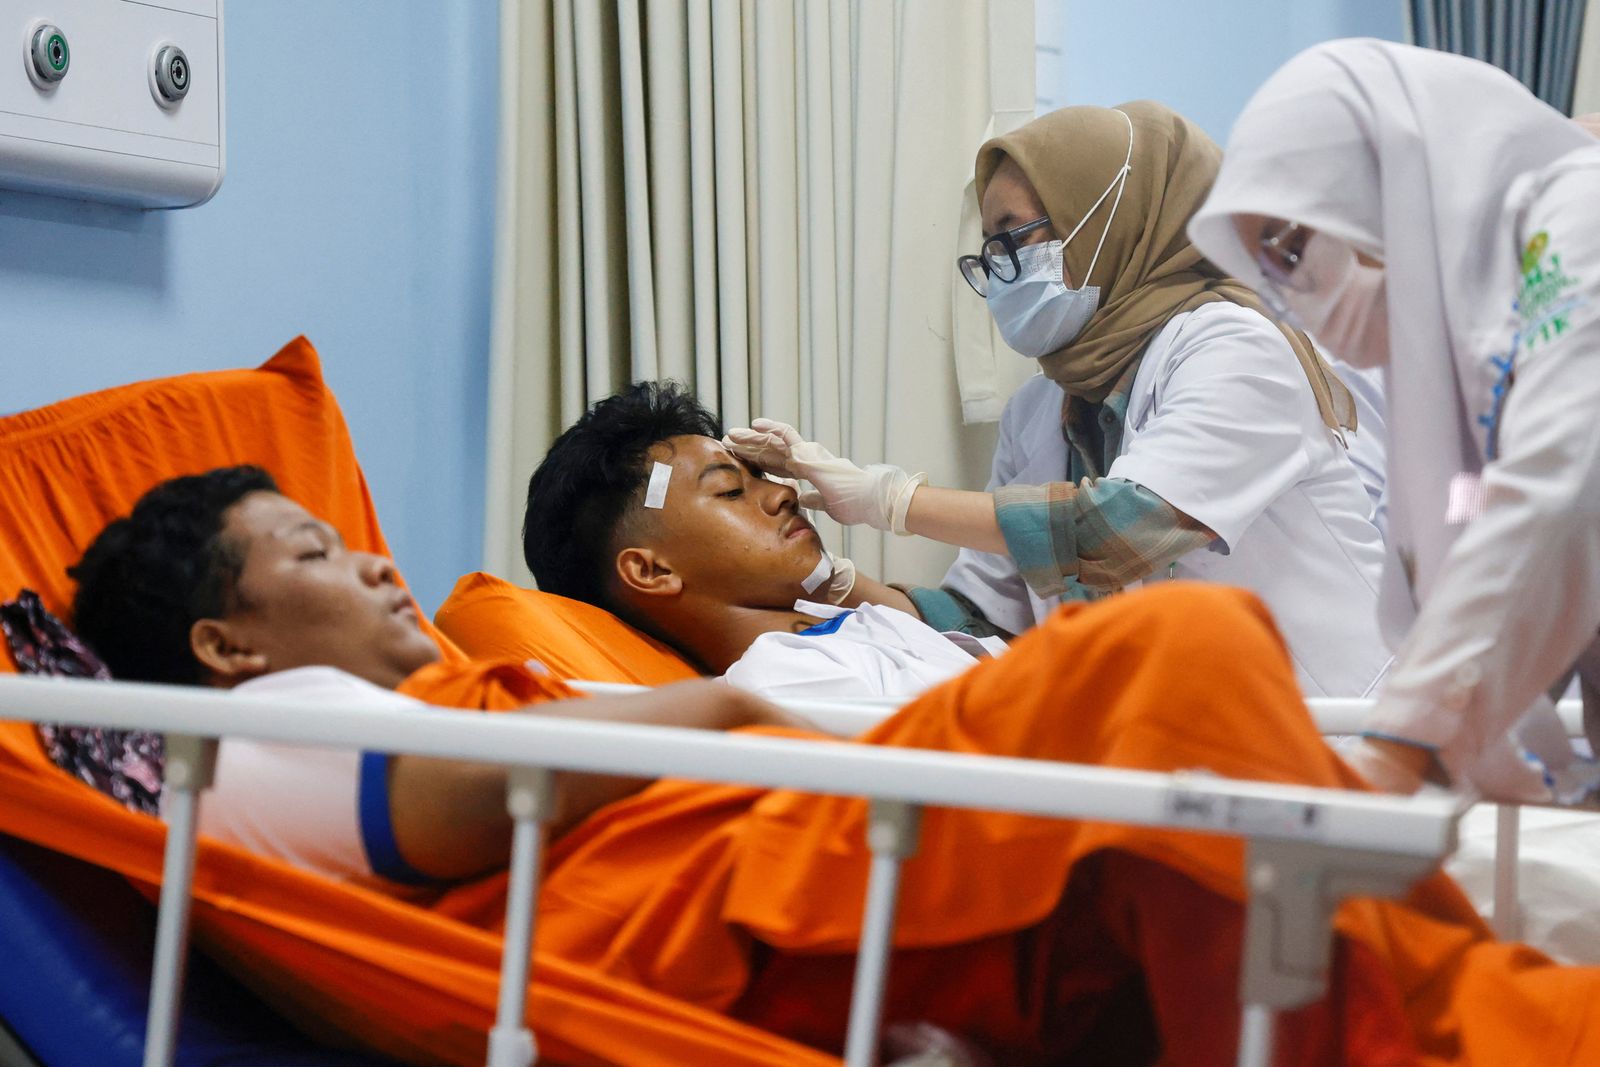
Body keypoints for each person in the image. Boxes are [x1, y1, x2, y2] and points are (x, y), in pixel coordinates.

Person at [68, 465, 1600, 1064]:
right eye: (319, 550)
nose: (380, 562)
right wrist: (774, 730)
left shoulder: (469, 680)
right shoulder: (251, 753)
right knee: (1173, 653)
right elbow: (573, 769)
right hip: (757, 898)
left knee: (1188, 726)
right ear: (221, 644)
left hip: (825, 837)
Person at [727, 101, 1393, 698]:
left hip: (1339, 725)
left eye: (1015, 238)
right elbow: (984, 618)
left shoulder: (1236, 347)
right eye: (989, 251)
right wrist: (834, 581)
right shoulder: (1043, 408)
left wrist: (889, 499)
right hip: (1191, 748)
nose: (1000, 271)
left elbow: (1123, 528)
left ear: (1106, 219)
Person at [1187, 39, 1600, 804]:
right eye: (1263, 274)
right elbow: (1476, 500)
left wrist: (1401, 739)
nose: (1286, 297)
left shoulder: (1572, 211)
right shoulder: (1443, 348)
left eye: (1287, 246)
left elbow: (1565, 472)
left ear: (1381, 175)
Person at [521, 382, 1007, 702]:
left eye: (762, 478)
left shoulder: (861, 623)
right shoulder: (774, 684)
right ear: (652, 571)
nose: (783, 492)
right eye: (730, 491)